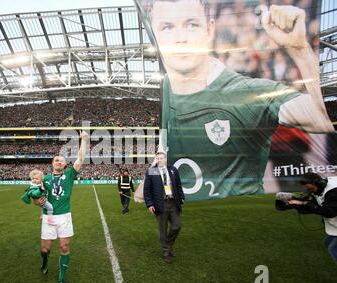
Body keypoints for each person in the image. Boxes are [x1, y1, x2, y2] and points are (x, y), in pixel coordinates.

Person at [136, 0, 334, 201]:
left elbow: (320, 118)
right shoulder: (166, 92)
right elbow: (165, 151)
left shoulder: (248, 93)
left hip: (234, 218)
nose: (180, 38)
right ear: (155, 35)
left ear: (209, 29)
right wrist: (145, 187)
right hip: (183, 211)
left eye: (191, 24)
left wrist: (300, 49)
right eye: (167, 27)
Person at [34, 131, 89, 283]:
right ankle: (44, 261)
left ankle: (61, 278)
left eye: (61, 160)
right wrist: (38, 202)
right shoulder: (44, 179)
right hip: (49, 217)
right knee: (45, 249)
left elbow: (80, 159)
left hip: (65, 216)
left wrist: (84, 140)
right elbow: (36, 199)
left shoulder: (70, 174)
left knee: (64, 247)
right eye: (56, 159)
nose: (58, 161)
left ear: (65, 165)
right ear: (52, 163)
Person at [286, 172, 337, 283]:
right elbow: (316, 207)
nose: (311, 192)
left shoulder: (333, 191)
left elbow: (329, 212)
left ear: (318, 183)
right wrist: (295, 206)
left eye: (311, 189)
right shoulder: (321, 187)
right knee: (328, 243)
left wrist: (305, 204)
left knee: (333, 249)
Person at [143, 152, 185, 263]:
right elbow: (146, 190)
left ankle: (168, 245)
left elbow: (179, 185)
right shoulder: (152, 171)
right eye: (158, 158)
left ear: (165, 159)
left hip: (173, 203)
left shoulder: (173, 170)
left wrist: (182, 197)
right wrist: (149, 204)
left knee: (177, 226)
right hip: (160, 204)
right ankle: (166, 252)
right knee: (163, 230)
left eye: (161, 158)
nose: (160, 160)